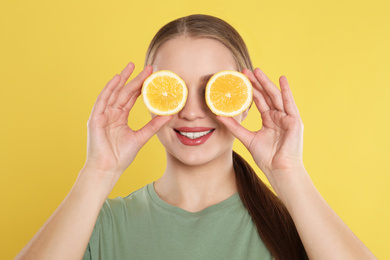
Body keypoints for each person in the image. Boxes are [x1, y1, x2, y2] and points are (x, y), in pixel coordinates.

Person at [15, 14, 376, 260]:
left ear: (246, 101)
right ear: (148, 98)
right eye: (171, 90)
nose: (191, 111)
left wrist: (289, 172)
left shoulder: (300, 224)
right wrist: (98, 170)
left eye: (213, 90)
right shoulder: (96, 223)